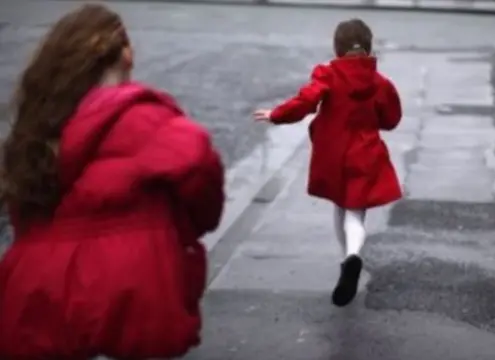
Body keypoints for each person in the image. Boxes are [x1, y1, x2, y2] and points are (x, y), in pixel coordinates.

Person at [0, 4, 225, 359]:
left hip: (35, 290)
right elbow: (202, 181)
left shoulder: (36, 125)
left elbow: (21, 213)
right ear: (125, 54)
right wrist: (177, 228)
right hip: (129, 287)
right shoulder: (147, 118)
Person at [253, 18, 402, 307]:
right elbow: (391, 119)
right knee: (355, 212)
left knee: (340, 204)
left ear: (336, 48)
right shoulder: (380, 83)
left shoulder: (328, 75)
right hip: (365, 153)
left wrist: (276, 115)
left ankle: (346, 258)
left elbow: (306, 101)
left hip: (334, 153)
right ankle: (353, 255)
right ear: (369, 48)